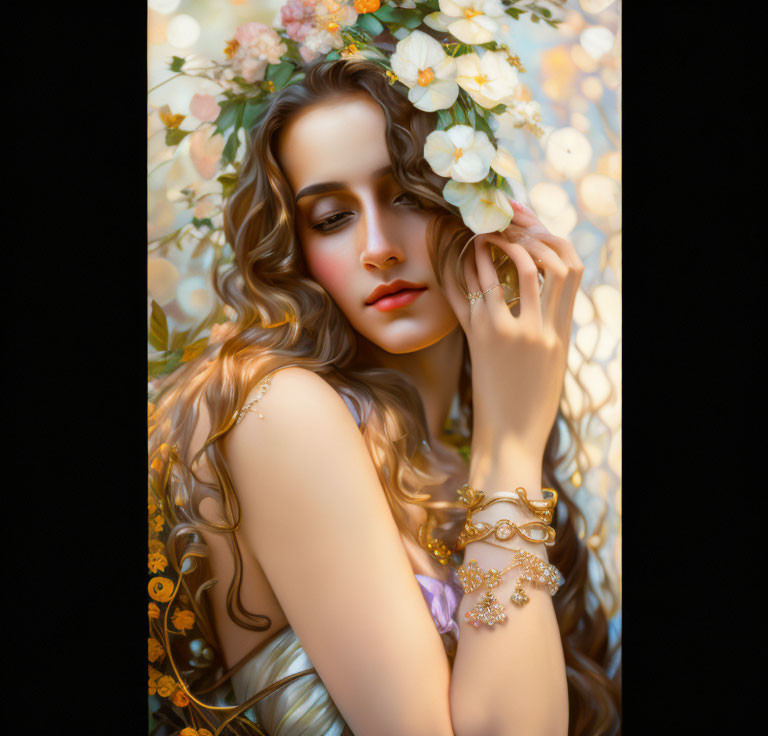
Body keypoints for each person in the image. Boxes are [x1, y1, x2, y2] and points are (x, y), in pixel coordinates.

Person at [148, 58, 620, 736]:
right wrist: (510, 450)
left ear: (479, 202)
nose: (377, 249)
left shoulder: (455, 444)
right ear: (296, 249)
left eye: (407, 196)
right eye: (333, 216)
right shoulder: (281, 410)